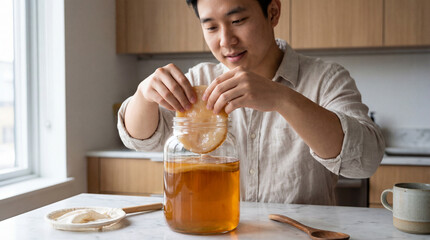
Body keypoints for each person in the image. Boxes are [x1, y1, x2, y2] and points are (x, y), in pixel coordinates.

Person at [117, 0, 385, 205]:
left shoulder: (326, 79)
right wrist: (144, 95)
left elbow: (364, 162)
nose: (225, 41)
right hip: (219, 228)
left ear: (273, 12)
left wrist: (282, 98)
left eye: (238, 20)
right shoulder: (199, 80)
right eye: (211, 27)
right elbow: (141, 139)